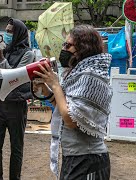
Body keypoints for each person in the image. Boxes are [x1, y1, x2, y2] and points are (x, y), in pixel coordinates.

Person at [33, 24, 112, 179]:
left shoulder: (91, 77)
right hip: (75, 157)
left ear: (83, 48)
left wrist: (55, 84)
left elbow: (70, 119)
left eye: (68, 45)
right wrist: (46, 89)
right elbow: (64, 108)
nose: (64, 49)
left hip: (88, 160)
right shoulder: (79, 74)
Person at [0, 18, 35, 180]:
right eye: (6, 30)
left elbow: (14, 78)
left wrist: (1, 60)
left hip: (16, 105)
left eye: (10, 31)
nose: (7, 34)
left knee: (16, 147)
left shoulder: (28, 54)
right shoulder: (6, 50)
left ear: (18, 33)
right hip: (0, 105)